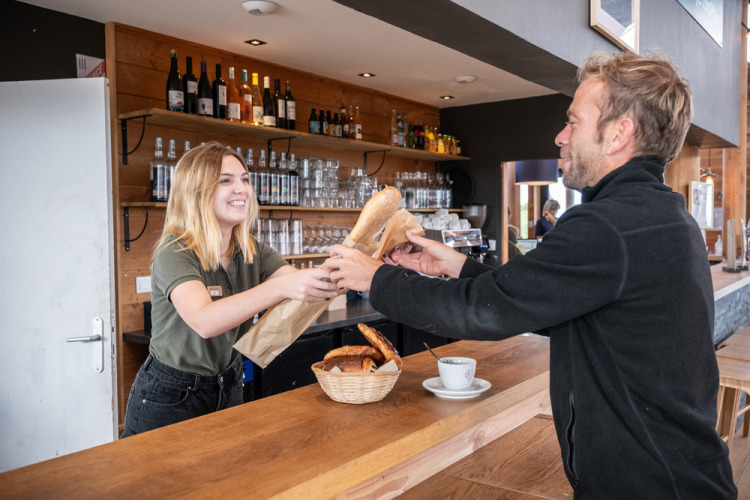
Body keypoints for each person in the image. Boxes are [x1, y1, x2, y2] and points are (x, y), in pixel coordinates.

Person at [325, 52, 737, 498]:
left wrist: (374, 278)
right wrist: (457, 265)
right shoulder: (661, 215)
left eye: (574, 122)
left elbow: (485, 313)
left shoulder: (607, 224)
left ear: (620, 133)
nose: (560, 136)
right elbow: (548, 302)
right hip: (677, 475)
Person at [122, 142, 337, 437]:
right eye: (226, 180)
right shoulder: (176, 252)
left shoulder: (251, 250)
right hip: (172, 392)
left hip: (229, 381)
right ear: (196, 191)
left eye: (244, 179)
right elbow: (205, 321)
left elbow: (305, 287)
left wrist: (348, 270)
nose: (243, 189)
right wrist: (282, 286)